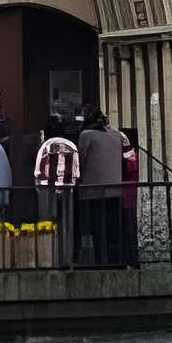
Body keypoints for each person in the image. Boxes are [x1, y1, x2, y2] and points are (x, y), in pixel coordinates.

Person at [77, 106, 126, 268]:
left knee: (97, 227)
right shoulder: (116, 135)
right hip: (115, 187)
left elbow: (81, 159)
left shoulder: (86, 136)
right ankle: (115, 260)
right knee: (113, 227)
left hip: (94, 188)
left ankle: (99, 261)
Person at [34, 116, 81, 263]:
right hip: (68, 189)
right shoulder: (71, 145)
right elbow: (76, 171)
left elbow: (38, 171)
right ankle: (67, 256)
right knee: (68, 223)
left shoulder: (45, 146)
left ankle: (49, 256)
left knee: (48, 222)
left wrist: (38, 186)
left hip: (47, 189)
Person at [120, 123, 142, 268]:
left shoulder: (130, 153)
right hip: (127, 196)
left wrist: (126, 147)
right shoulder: (130, 153)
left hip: (130, 197)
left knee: (130, 229)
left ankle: (132, 259)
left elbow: (130, 165)